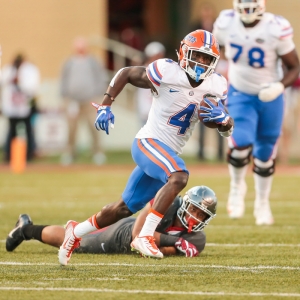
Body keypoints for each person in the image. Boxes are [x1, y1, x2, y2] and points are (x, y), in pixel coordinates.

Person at [58, 29, 234, 265]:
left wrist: (225, 121)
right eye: (197, 56)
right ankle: (144, 235)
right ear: (184, 52)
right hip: (148, 142)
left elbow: (226, 128)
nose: (201, 63)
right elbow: (126, 73)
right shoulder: (167, 71)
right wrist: (105, 105)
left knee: (123, 208)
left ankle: (75, 231)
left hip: (167, 152)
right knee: (179, 176)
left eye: (206, 59)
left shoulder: (216, 85)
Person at [213, 0, 300, 225]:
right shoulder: (226, 23)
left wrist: (279, 86)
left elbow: (294, 66)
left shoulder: (275, 27)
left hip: (270, 96)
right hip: (240, 92)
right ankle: (236, 187)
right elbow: (214, 49)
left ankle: (262, 203)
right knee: (240, 140)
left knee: (264, 152)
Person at [6, 186, 217, 258]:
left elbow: (163, 252)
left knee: (77, 236)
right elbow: (138, 235)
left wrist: (173, 247)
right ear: (186, 203)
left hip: (131, 237)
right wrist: (175, 242)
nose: (195, 218)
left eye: (202, 215)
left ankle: (26, 228)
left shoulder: (198, 238)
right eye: (194, 210)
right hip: (122, 235)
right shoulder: (170, 202)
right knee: (77, 242)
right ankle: (25, 230)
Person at [60, 36, 109, 165]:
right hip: (73, 101)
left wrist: (98, 95)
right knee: (71, 129)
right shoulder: (69, 62)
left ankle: (97, 152)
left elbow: (100, 78)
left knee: (94, 127)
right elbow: (64, 80)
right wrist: (66, 97)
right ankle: (70, 153)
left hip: (90, 101)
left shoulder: (93, 62)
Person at [1, 53, 40, 162]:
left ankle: (29, 154)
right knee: (11, 131)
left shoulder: (29, 71)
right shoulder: (8, 70)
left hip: (25, 106)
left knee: (28, 130)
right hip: (12, 107)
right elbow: (3, 82)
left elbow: (32, 87)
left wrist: (20, 81)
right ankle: (8, 154)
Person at [135, 41, 166, 126]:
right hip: (146, 111)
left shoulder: (163, 70)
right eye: (158, 55)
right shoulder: (143, 70)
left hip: (158, 114)